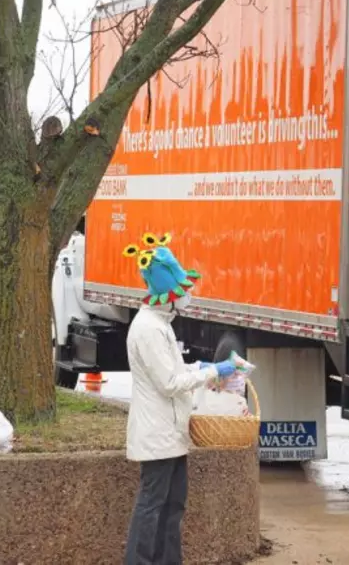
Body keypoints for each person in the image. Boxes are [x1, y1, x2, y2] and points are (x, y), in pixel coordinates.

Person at [123, 233, 238, 564]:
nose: (188, 296)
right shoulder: (148, 328)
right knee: (152, 506)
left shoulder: (160, 324)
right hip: (158, 434)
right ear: (167, 295)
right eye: (184, 291)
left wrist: (200, 366)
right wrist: (212, 371)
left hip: (171, 433)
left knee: (172, 506)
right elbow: (170, 383)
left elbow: (172, 370)